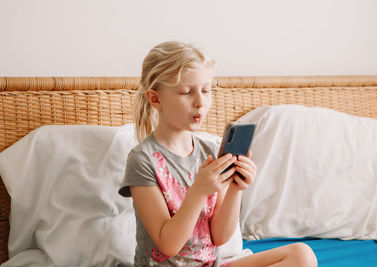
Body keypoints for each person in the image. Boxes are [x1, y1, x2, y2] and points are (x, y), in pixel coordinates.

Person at [118, 41, 318, 267]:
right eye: (186, 92)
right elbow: (168, 245)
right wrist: (199, 191)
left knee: (302, 255)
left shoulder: (210, 152)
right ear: (155, 99)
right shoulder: (142, 160)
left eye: (205, 90)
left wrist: (235, 188)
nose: (200, 102)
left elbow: (219, 237)